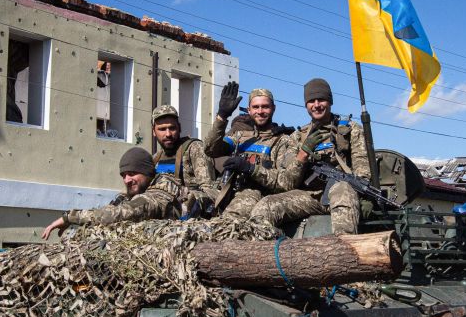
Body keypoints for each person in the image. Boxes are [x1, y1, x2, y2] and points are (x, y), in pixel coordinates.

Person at [250, 78, 370, 234]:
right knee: (265, 206)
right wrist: (303, 154)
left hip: (341, 193)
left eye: (322, 100)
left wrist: (365, 197)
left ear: (330, 101)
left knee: (343, 189)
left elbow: (362, 167)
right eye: (311, 101)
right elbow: (288, 182)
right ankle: (268, 252)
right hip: (309, 196)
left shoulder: (350, 129)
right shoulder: (298, 137)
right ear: (306, 104)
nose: (317, 105)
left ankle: (344, 250)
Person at [204, 82, 303, 217]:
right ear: (249, 110)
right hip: (225, 189)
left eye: (265, 107)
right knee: (196, 200)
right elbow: (210, 149)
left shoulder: (284, 141)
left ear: (273, 108)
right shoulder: (239, 137)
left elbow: (285, 182)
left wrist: (251, 169)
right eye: (255, 107)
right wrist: (222, 116)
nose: (260, 111)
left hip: (255, 194)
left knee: (229, 220)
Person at [41, 147, 188, 239]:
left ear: (148, 172)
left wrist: (70, 217)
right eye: (123, 175)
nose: (127, 180)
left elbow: (122, 213)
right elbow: (107, 211)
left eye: (132, 173)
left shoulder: (161, 192)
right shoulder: (130, 195)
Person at [150, 104, 217, 212]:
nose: (168, 134)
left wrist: (190, 198)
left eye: (172, 128)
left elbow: (210, 191)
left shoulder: (194, 148)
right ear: (154, 132)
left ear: (179, 128)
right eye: (162, 129)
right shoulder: (155, 159)